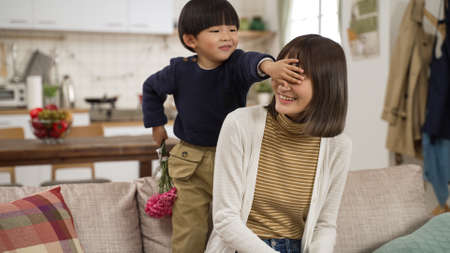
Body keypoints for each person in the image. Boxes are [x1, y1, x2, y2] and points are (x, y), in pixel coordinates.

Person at [141, 0, 303, 252]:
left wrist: (270, 67)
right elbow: (151, 88)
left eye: (232, 29)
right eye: (216, 31)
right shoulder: (178, 71)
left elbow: (253, 62)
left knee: (233, 227)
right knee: (189, 228)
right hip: (189, 162)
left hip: (233, 160)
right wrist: (156, 123)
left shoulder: (236, 65)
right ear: (191, 40)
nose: (227, 36)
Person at [205, 34, 352, 253]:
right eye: (280, 71)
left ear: (326, 84)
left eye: (296, 76)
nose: (283, 85)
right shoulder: (239, 124)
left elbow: (324, 225)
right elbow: (226, 219)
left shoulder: (338, 145)